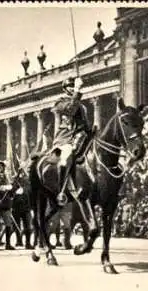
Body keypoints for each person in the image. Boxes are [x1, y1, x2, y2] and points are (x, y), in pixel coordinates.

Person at [51, 76, 92, 206]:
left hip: (81, 137)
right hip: (65, 138)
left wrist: (92, 133)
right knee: (67, 155)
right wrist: (77, 90)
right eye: (70, 86)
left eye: (73, 85)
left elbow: (85, 124)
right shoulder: (60, 102)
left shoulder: (82, 107)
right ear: (65, 89)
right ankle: (62, 190)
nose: (72, 88)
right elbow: (70, 110)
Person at [0, 160, 16, 250]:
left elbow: (11, 191)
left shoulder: (7, 177)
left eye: (2, 166)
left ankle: (8, 244)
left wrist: (11, 188)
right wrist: (3, 187)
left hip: (6, 203)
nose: (0, 168)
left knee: (8, 224)